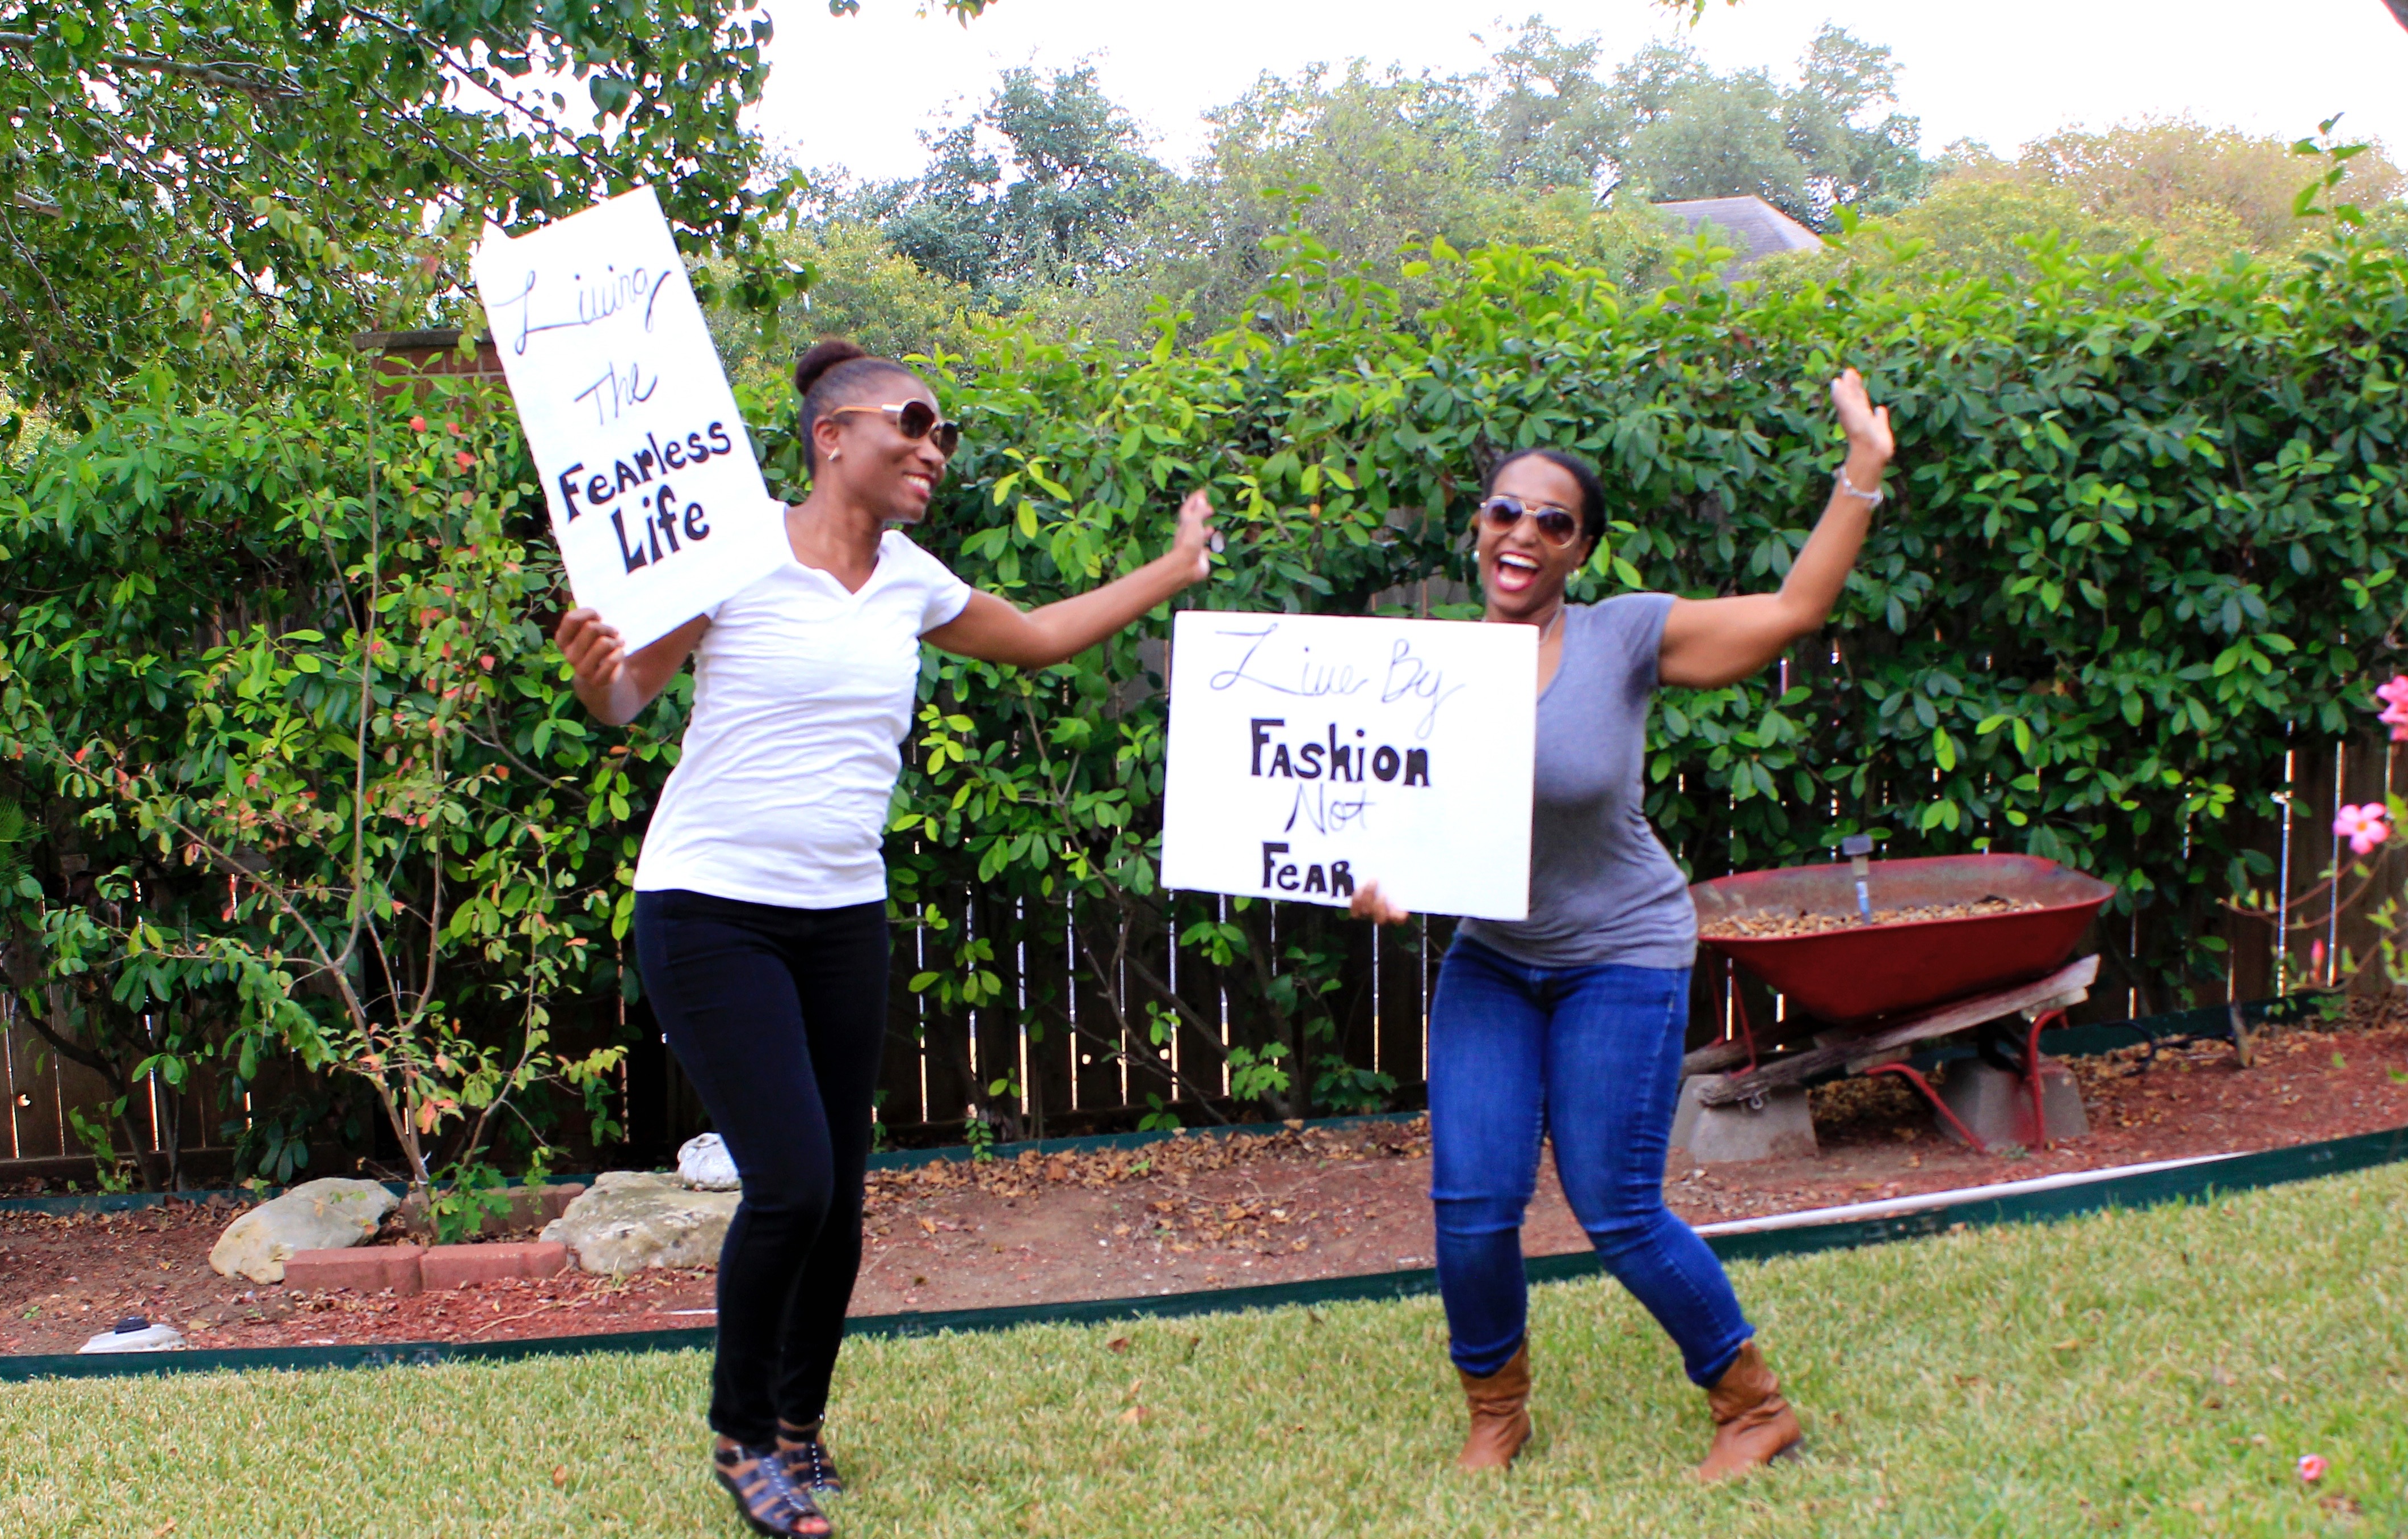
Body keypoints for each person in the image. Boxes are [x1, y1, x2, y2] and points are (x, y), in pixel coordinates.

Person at [555, 339, 1215, 1538]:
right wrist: (597, 674)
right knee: (792, 1182)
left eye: (945, 434)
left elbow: (1044, 636)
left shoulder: (912, 579)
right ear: (831, 437)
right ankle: (742, 1438)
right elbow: (626, 696)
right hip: (709, 910)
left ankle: (801, 1432)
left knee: (844, 1197)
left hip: (840, 919)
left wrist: (1172, 568)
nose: (933, 449)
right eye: (912, 424)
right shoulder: (731, 548)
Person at [1348, 368, 1897, 1481]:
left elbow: (1793, 613)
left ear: (1579, 552)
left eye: (1555, 522)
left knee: (1616, 1205)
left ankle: (1754, 1406)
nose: (1524, 533)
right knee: (1472, 1200)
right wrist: (1376, 875)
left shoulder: (1627, 638)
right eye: (1506, 511)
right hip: (1496, 961)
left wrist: (1863, 473)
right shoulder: (1428, 672)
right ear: (1477, 528)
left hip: (1623, 955)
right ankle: (1496, 1413)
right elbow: (1381, 816)